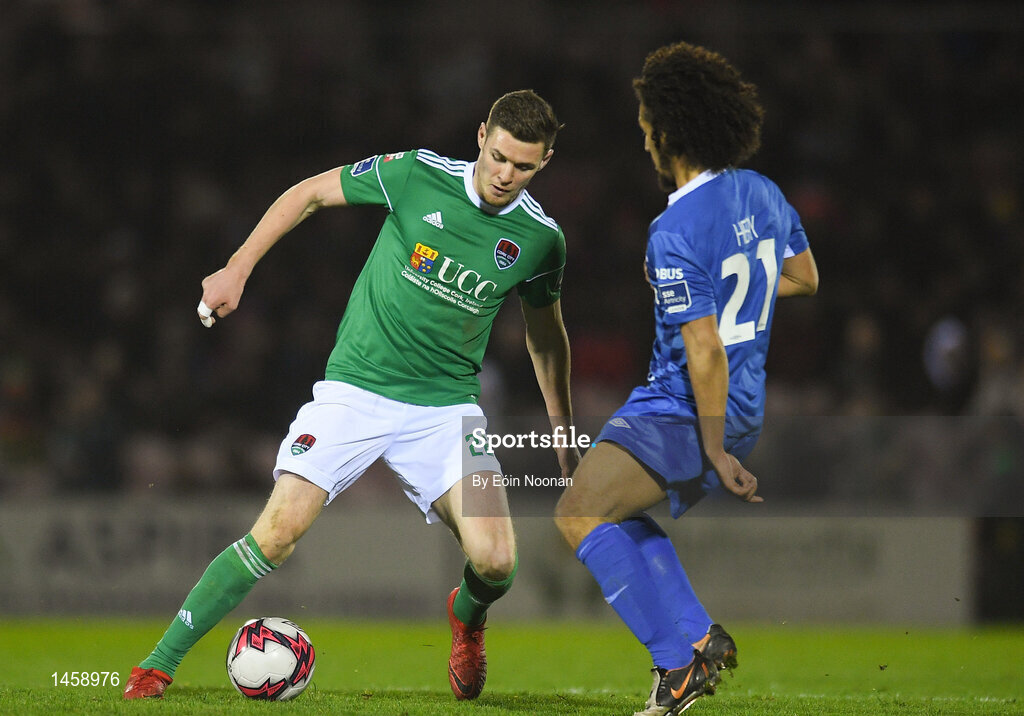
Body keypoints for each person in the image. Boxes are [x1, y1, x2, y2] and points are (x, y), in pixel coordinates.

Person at [124, 89, 578, 701]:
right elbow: (308, 193)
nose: (505, 175)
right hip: (355, 392)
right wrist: (236, 268)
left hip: (447, 410)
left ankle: (466, 619)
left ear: (545, 161)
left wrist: (563, 433)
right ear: (481, 136)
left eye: (523, 166)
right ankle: (156, 666)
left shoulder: (541, 239)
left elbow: (546, 338)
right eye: (498, 157)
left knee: (497, 562)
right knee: (277, 533)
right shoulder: (416, 174)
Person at [554, 42, 818, 716]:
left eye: (647, 124)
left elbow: (703, 350)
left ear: (670, 132)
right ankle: (700, 634)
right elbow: (803, 277)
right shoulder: (763, 192)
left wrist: (714, 447)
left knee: (578, 514)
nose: (643, 136)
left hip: (687, 406)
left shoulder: (673, 228)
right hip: (734, 402)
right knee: (612, 510)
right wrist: (733, 302)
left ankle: (677, 668)